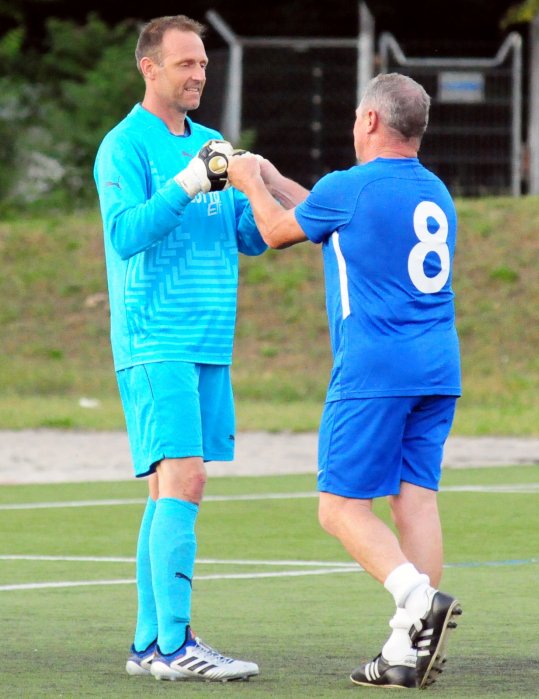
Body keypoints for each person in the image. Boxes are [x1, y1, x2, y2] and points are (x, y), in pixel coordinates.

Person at [227, 72, 462, 690]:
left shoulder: (350, 186)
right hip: (438, 366)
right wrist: (276, 180)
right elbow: (334, 223)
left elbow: (281, 233)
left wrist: (251, 183)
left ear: (371, 122)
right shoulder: (433, 190)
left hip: (375, 367)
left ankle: (417, 601)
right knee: (416, 501)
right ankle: (404, 652)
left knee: (337, 508)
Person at [93, 15, 267, 682]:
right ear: (150, 68)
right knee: (186, 478)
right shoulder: (124, 146)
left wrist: (269, 197)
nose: (198, 74)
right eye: (185, 63)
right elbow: (125, 234)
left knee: (169, 484)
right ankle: (175, 645)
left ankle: (147, 644)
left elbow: (243, 235)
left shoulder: (213, 145)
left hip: (207, 340)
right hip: (153, 336)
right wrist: (188, 183)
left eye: (202, 63)